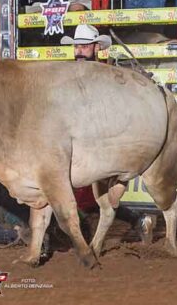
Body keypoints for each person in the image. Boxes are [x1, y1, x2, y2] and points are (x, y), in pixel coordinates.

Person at [60, 24, 153, 240]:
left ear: (96, 47)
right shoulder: (69, 75)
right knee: (90, 197)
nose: (79, 50)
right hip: (78, 142)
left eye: (84, 46)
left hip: (102, 143)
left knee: (96, 196)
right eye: (77, 46)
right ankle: (136, 220)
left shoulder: (107, 75)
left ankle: (133, 220)